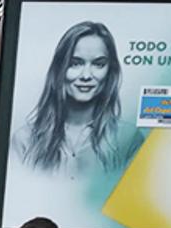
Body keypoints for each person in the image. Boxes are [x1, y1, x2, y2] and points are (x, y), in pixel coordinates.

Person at [14, 22, 129, 175]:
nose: (86, 76)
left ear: (110, 71)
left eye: (98, 64)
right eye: (75, 64)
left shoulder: (129, 138)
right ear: (59, 69)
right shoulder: (24, 139)